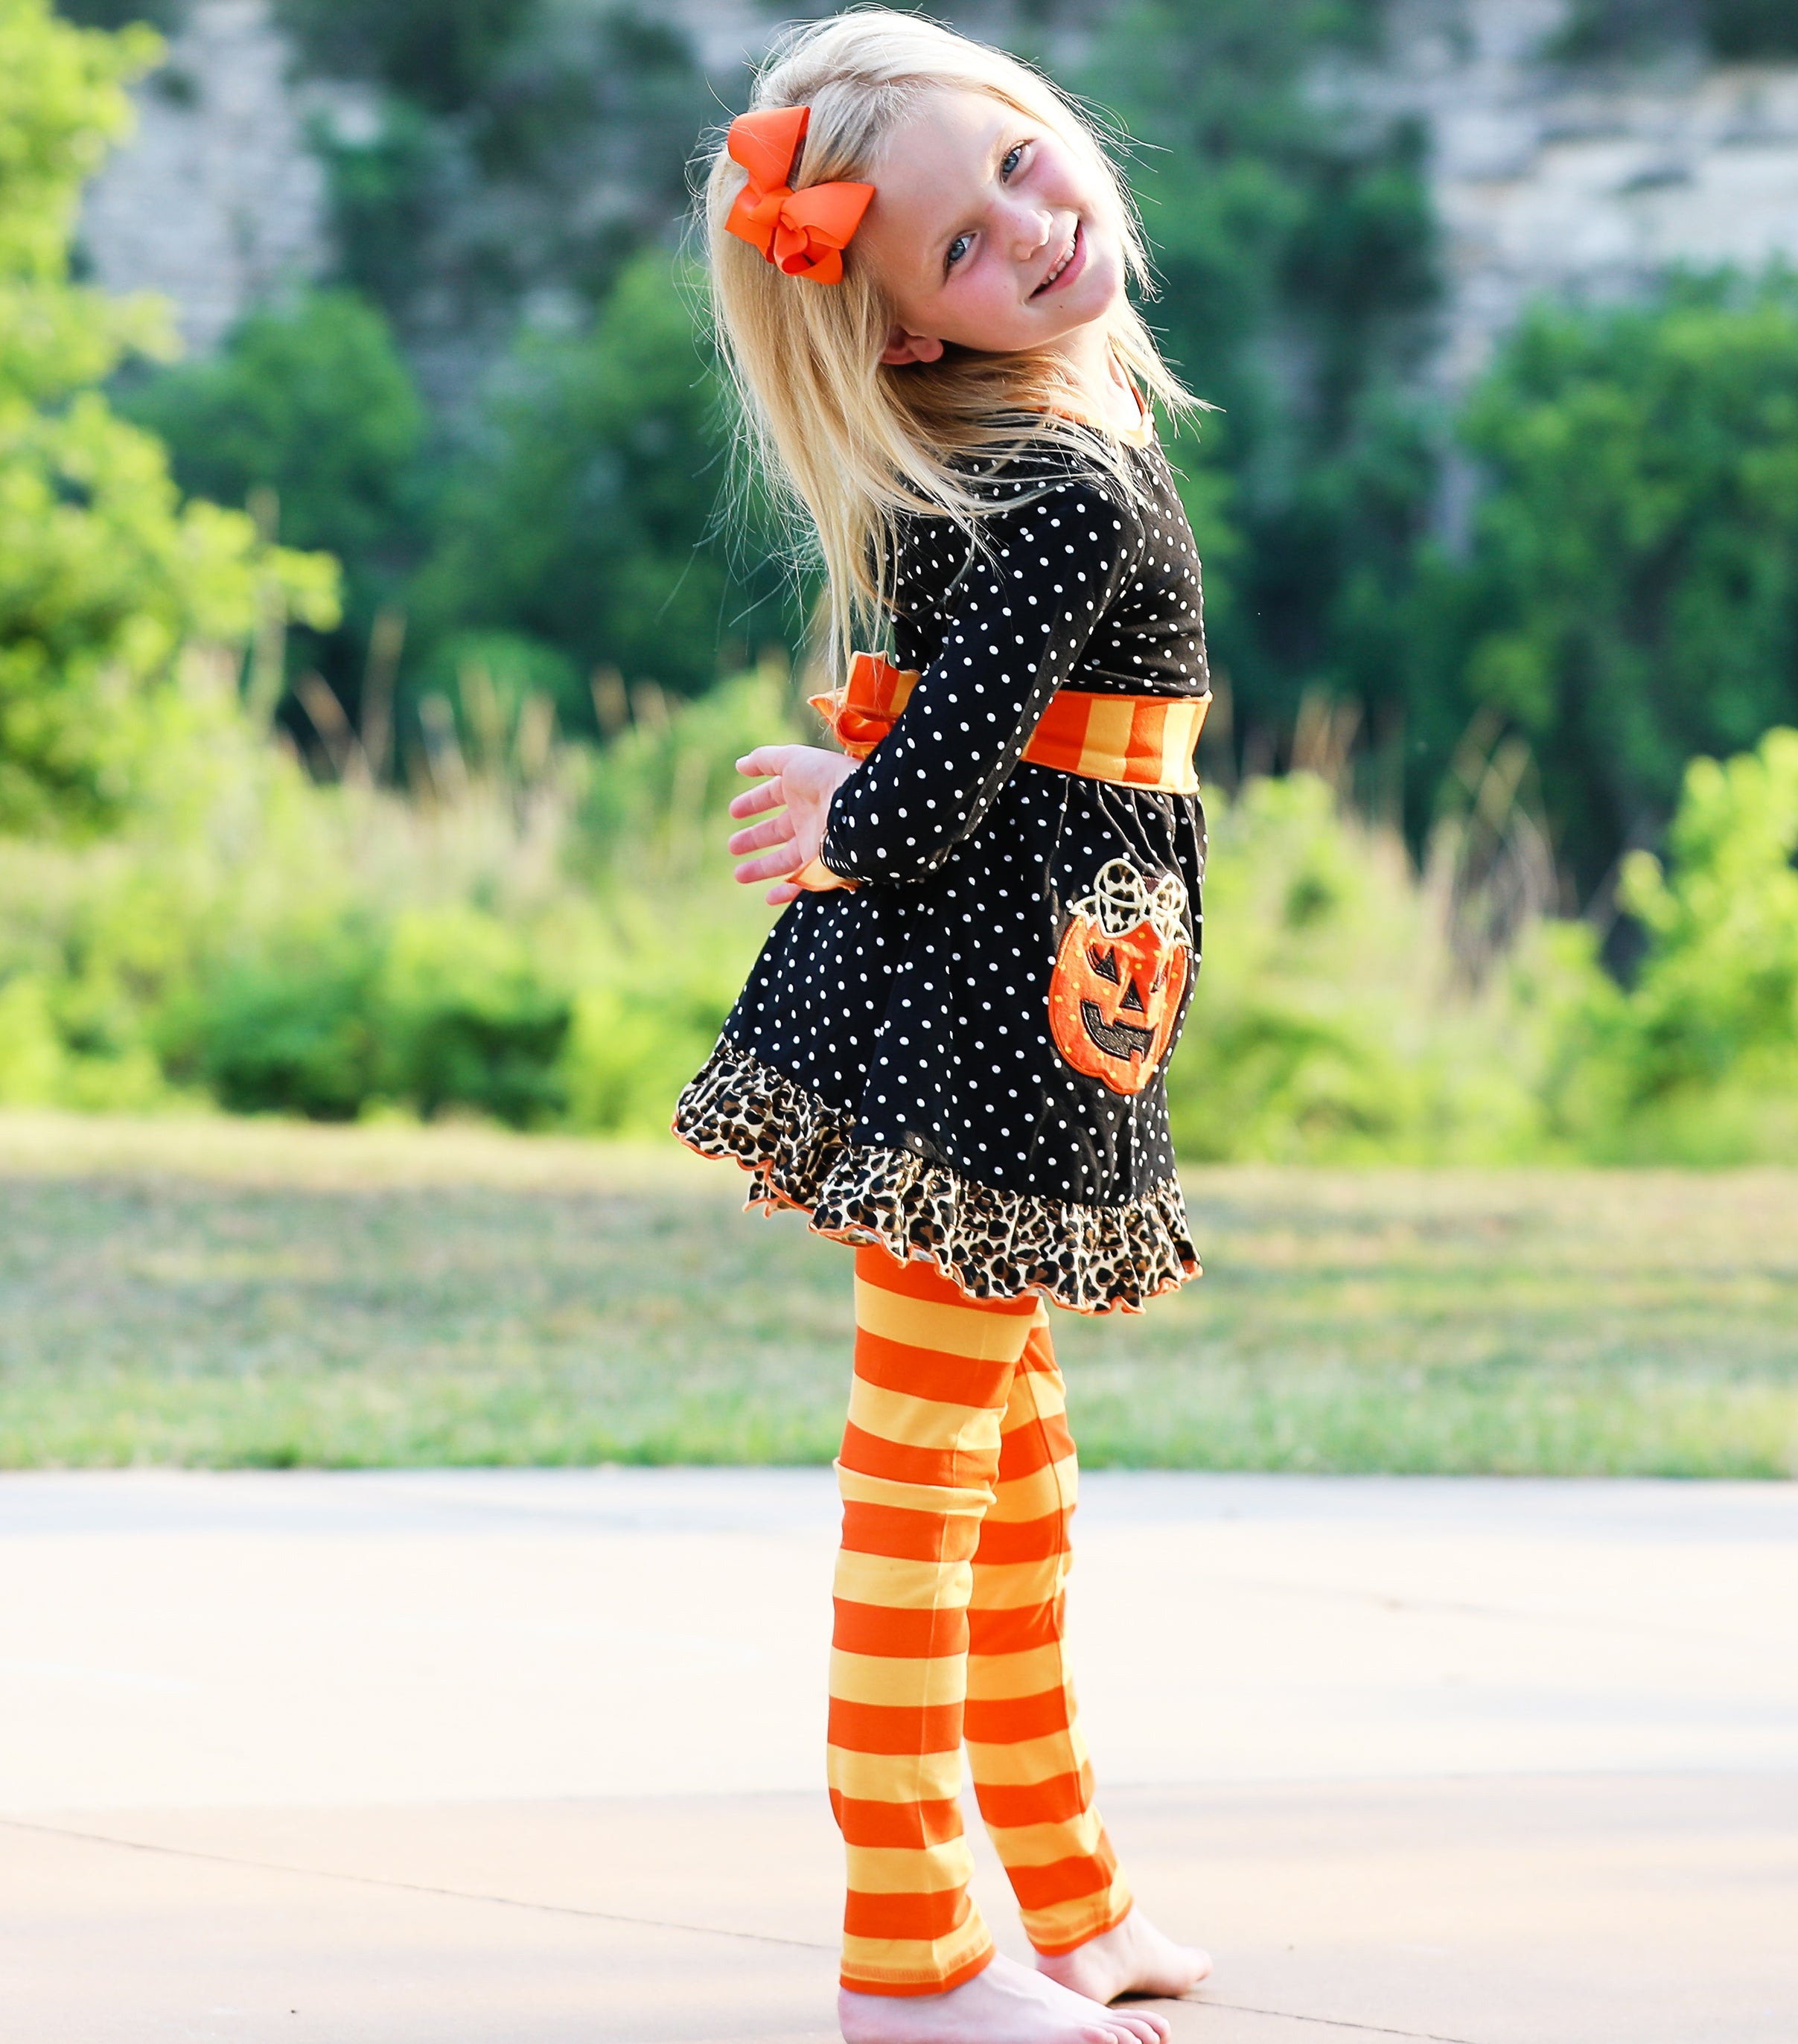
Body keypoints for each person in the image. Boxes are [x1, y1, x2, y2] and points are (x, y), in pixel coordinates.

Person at [672, 13, 1215, 2041]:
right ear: (904, 336)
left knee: (1012, 1475)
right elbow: (938, 777)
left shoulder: (1006, 444)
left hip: (1003, 1015)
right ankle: (909, 1949)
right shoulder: (1062, 476)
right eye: (966, 249)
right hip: (991, 1035)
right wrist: (854, 802)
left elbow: (922, 743)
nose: (1030, 226)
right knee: (927, 1477)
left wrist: (863, 794)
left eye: (1016, 166)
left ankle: (1065, 1894)